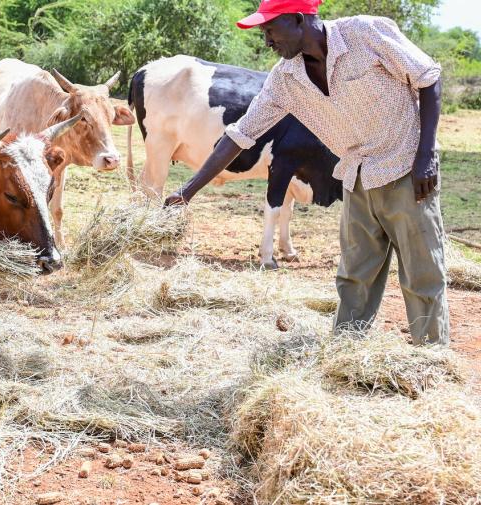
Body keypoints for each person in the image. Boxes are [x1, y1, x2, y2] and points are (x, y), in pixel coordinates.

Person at [164, 0, 448, 345]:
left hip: (406, 170)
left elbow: (428, 78)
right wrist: (188, 190)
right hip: (357, 176)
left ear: (298, 20)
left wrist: (426, 155)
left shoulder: (366, 33)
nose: (266, 41)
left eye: (269, 30)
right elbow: (240, 135)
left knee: (422, 275)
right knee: (354, 278)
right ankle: (347, 356)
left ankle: (431, 357)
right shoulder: (285, 79)